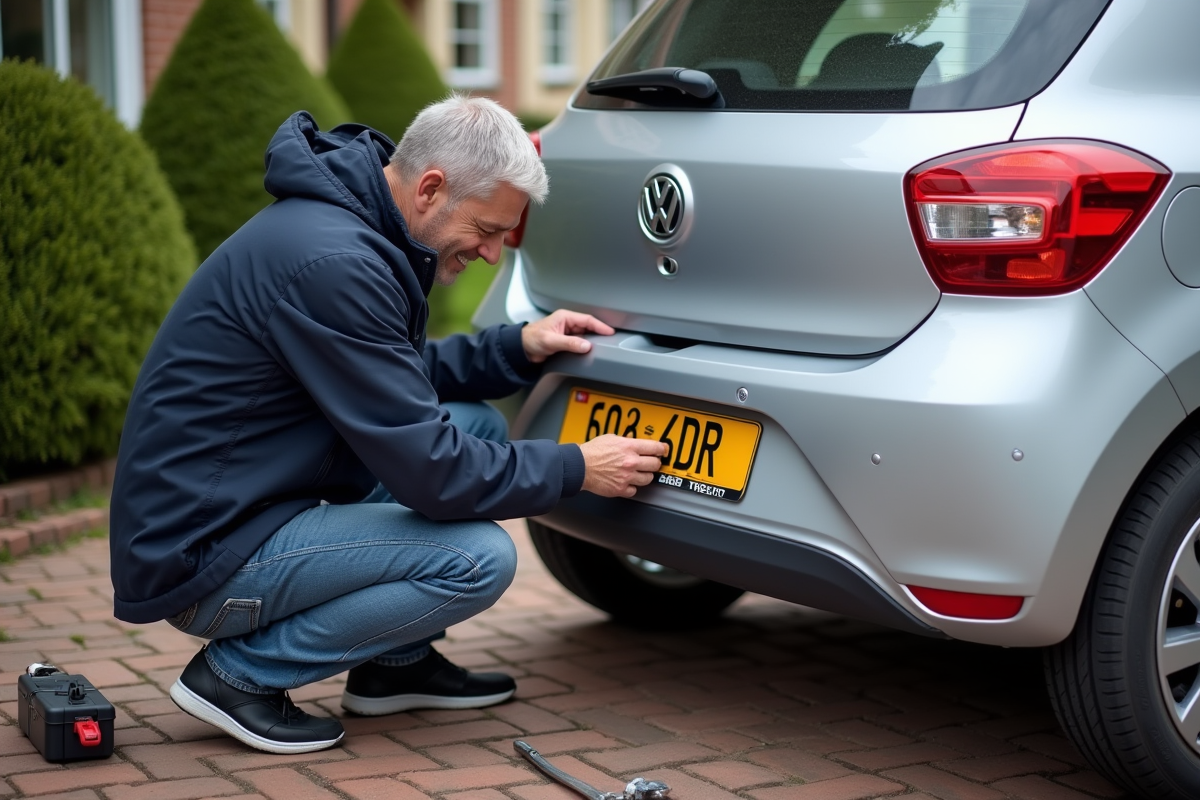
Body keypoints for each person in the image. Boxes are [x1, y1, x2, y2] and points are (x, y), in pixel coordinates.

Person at [108, 96, 666, 755]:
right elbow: (434, 473)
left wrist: (517, 347)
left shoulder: (351, 229)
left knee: (476, 425)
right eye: (487, 230)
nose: (491, 254)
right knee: (476, 559)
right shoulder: (334, 262)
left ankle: (395, 666)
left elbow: (394, 374)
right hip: (206, 557)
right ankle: (238, 676)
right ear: (432, 188)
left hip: (247, 506)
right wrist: (578, 467)